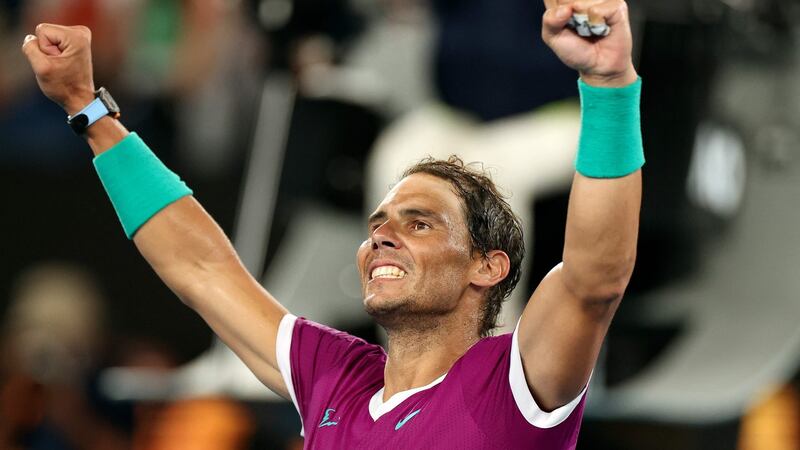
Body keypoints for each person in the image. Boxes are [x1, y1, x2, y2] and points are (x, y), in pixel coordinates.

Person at [21, 0, 643, 448]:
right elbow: (201, 267)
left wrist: (609, 82)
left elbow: (594, 279)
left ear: (488, 265)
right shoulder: (336, 378)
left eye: (420, 223)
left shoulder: (511, 384)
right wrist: (87, 109)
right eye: (379, 222)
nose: (382, 235)